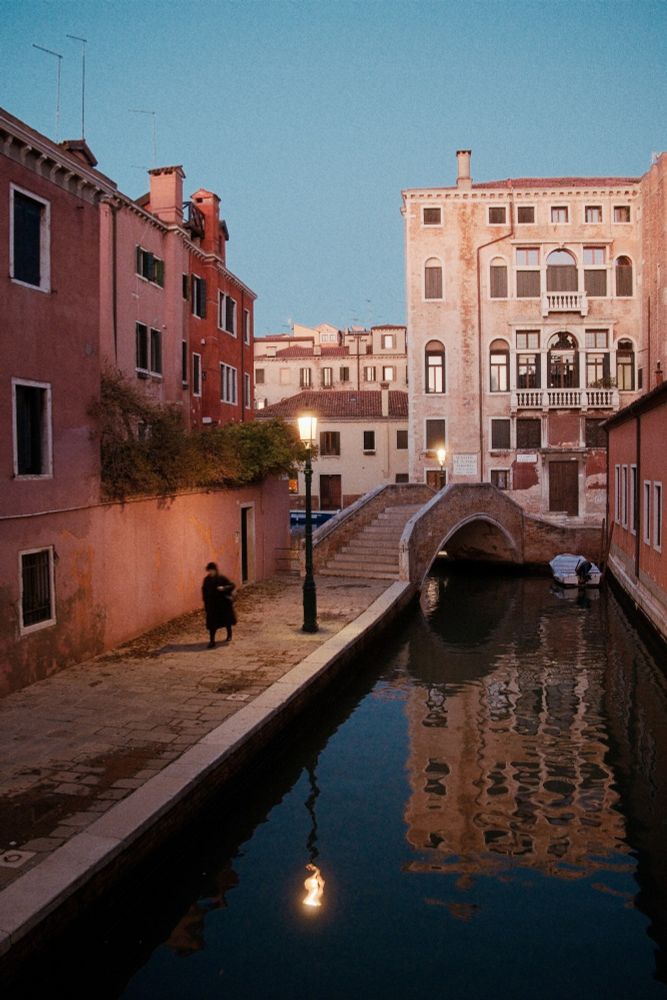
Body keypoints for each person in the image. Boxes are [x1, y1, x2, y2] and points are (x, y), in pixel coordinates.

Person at [202, 562, 236, 648]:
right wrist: (206, 603)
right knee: (212, 624)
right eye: (209, 570)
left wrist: (224, 588)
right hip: (212, 605)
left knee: (226, 620)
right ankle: (212, 641)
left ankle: (229, 634)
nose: (210, 572)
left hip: (223, 604)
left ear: (215, 570)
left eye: (212, 570)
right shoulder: (206, 580)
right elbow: (204, 592)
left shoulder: (221, 578)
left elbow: (232, 585)